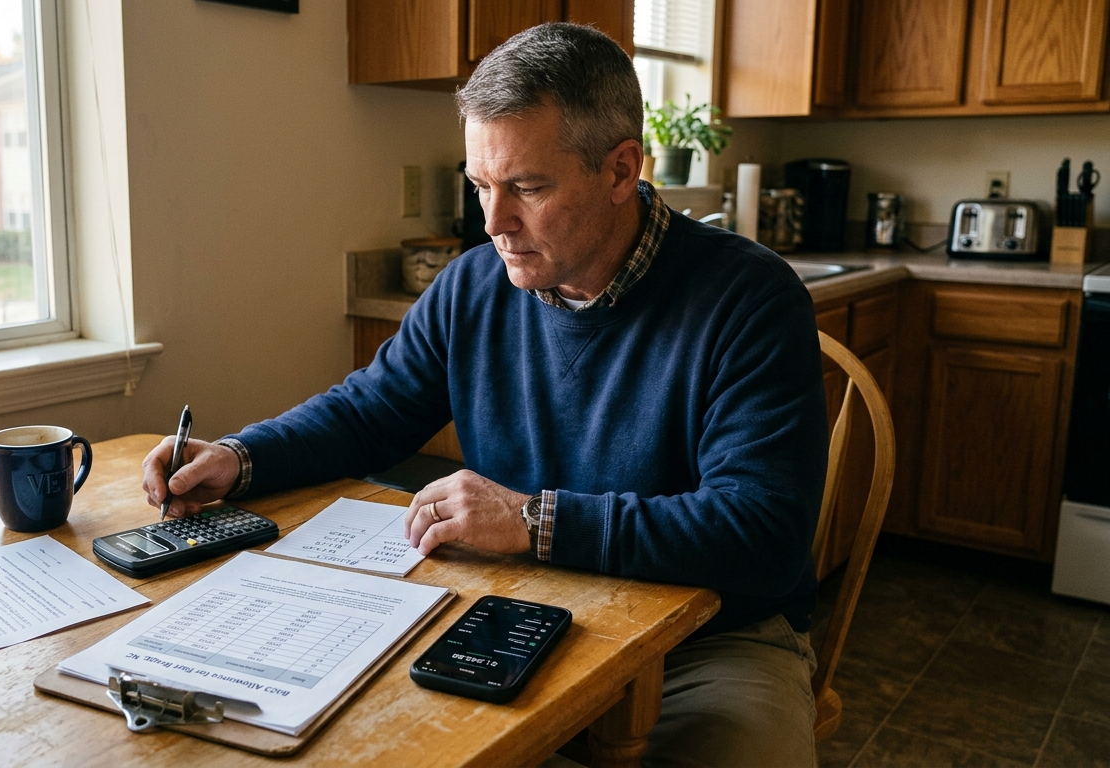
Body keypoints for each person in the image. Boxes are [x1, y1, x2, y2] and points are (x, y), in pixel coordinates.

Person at [142, 22, 828, 767]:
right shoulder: (474, 286)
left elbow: (762, 533)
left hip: (711, 639)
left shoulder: (749, 298)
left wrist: (532, 521)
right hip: (513, 607)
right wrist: (242, 458)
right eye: (481, 186)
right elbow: (369, 411)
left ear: (621, 169)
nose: (494, 223)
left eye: (527, 188)